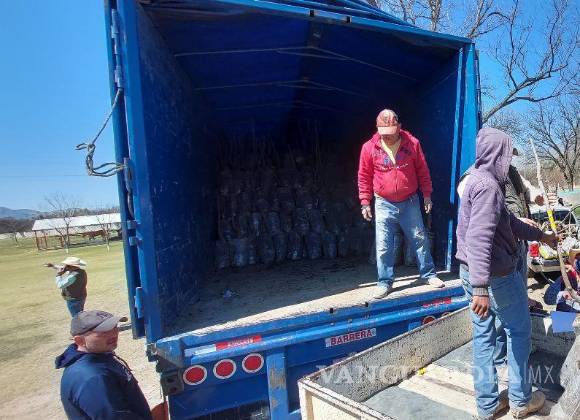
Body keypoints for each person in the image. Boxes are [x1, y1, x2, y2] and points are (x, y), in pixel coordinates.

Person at [456, 127, 558, 419]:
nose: (509, 159)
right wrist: (481, 288)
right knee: (519, 331)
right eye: (507, 153)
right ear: (496, 153)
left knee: (483, 337)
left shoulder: (480, 179)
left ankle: (487, 405)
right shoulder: (488, 186)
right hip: (495, 275)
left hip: (472, 271)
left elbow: (509, 222)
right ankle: (521, 400)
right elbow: (479, 238)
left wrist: (541, 236)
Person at [358, 109, 444, 299]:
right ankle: (384, 282)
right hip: (383, 202)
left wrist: (427, 195)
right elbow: (364, 176)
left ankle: (428, 274)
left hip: (410, 200)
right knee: (383, 244)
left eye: (391, 133)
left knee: (419, 238)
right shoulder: (369, 148)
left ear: (399, 127)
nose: (387, 137)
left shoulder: (412, 144)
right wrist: (365, 201)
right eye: (383, 133)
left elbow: (423, 170)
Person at [56, 310, 153, 420]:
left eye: (114, 327)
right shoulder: (91, 377)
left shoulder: (99, 356)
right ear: (80, 340)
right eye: (103, 332)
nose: (113, 334)